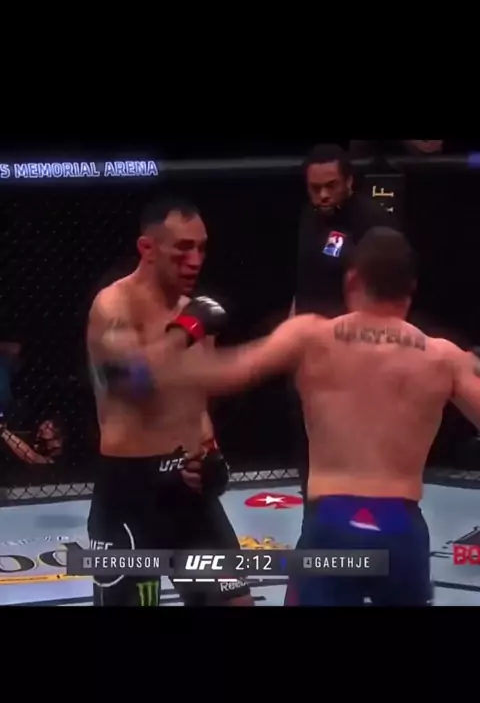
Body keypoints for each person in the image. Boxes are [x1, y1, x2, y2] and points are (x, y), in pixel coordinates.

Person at [160, 227, 480, 605]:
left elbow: (218, 376)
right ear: (411, 287)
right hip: (402, 529)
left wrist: (181, 335)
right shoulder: (444, 357)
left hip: (331, 524)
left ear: (352, 280)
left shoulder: (312, 336)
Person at [86, 197, 253, 606]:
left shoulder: (194, 314)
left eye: (201, 248)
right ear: (147, 248)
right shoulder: (114, 306)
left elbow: (195, 404)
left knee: (235, 602)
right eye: (182, 248)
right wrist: (184, 332)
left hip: (186, 492)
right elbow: (130, 383)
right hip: (129, 494)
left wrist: (212, 457)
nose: (195, 260)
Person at [292, 143, 398, 496]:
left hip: (357, 354)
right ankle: (313, 510)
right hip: (313, 351)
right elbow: (304, 280)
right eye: (315, 188)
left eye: (330, 186)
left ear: (349, 182)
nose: (322, 195)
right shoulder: (309, 217)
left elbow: (386, 296)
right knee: (310, 443)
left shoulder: (373, 224)